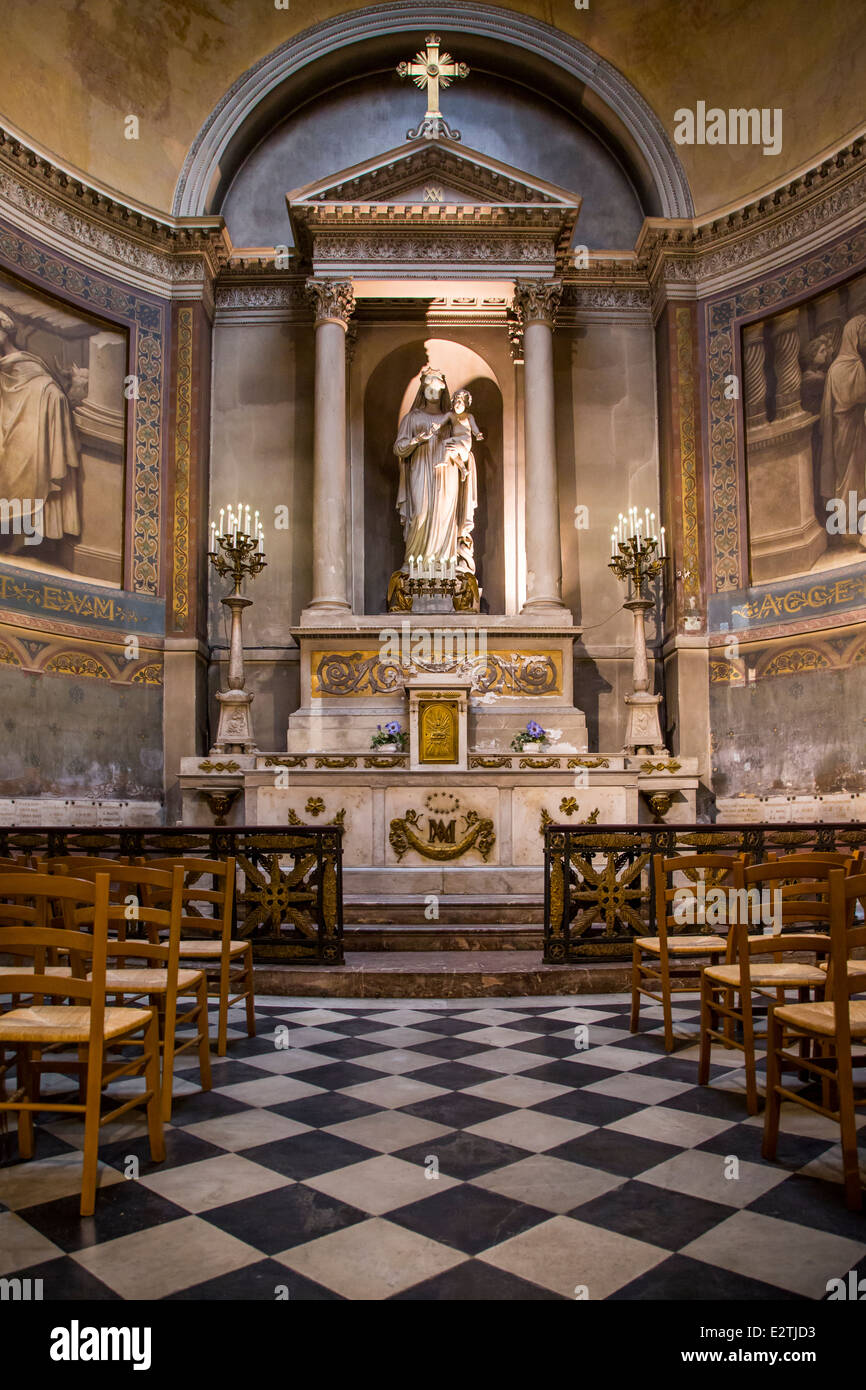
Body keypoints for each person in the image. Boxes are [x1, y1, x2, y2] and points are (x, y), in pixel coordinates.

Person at [0, 306, 81, 546]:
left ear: (5, 331)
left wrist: (47, 405)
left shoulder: (34, 371)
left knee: (24, 470)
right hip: (8, 428)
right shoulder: (4, 369)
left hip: (28, 431)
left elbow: (52, 393)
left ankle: (20, 536)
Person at [818, 313, 866, 547]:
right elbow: (855, 395)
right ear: (853, 336)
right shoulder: (848, 366)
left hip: (848, 427)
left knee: (852, 475)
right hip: (848, 426)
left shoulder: (839, 365)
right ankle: (848, 526)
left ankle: (855, 525)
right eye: (862, 334)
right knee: (850, 476)